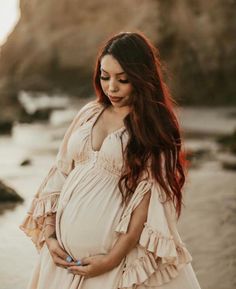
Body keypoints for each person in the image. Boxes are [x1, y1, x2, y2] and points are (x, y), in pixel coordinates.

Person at [20, 31, 202, 289]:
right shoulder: (88, 113)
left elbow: (146, 204)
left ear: (142, 78)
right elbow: (61, 172)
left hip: (114, 267)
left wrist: (111, 259)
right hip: (62, 262)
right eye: (105, 77)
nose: (111, 87)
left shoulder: (153, 126)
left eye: (123, 79)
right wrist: (50, 234)